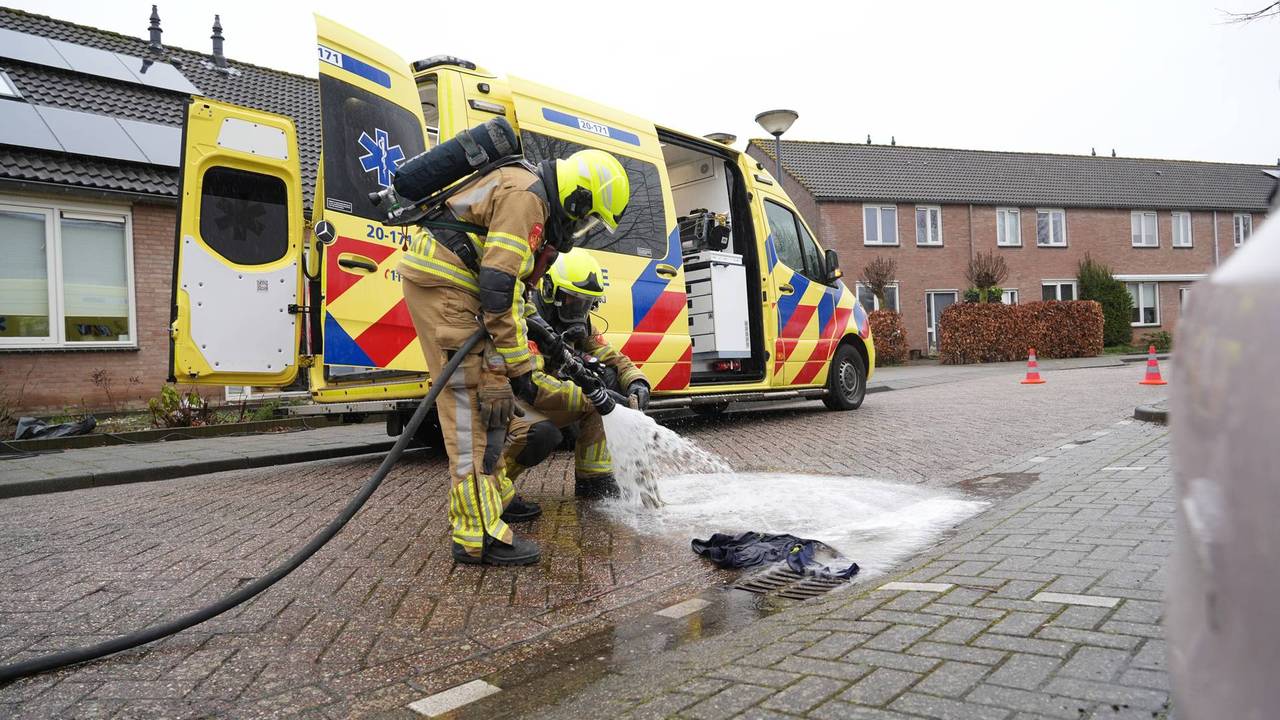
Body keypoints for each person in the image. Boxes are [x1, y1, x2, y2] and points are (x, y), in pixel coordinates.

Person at [398, 148, 630, 566]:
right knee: (472, 410)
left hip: (458, 287)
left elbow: (515, 290)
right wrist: (520, 368)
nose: (581, 228)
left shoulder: (527, 192)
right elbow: (497, 286)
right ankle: (477, 534)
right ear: (577, 198)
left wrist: (539, 340)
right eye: (588, 217)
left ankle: (496, 497)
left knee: (493, 405)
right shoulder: (528, 198)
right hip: (451, 290)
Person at [496, 250, 652, 500]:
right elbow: (533, 384)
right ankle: (495, 489)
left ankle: (594, 479)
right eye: (573, 301)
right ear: (549, 291)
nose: (580, 312)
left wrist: (637, 381)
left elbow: (612, 357)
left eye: (587, 304)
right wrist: (596, 397)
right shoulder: (526, 322)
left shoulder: (580, 323)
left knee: (607, 381)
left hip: (539, 398)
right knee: (541, 434)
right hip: (505, 401)